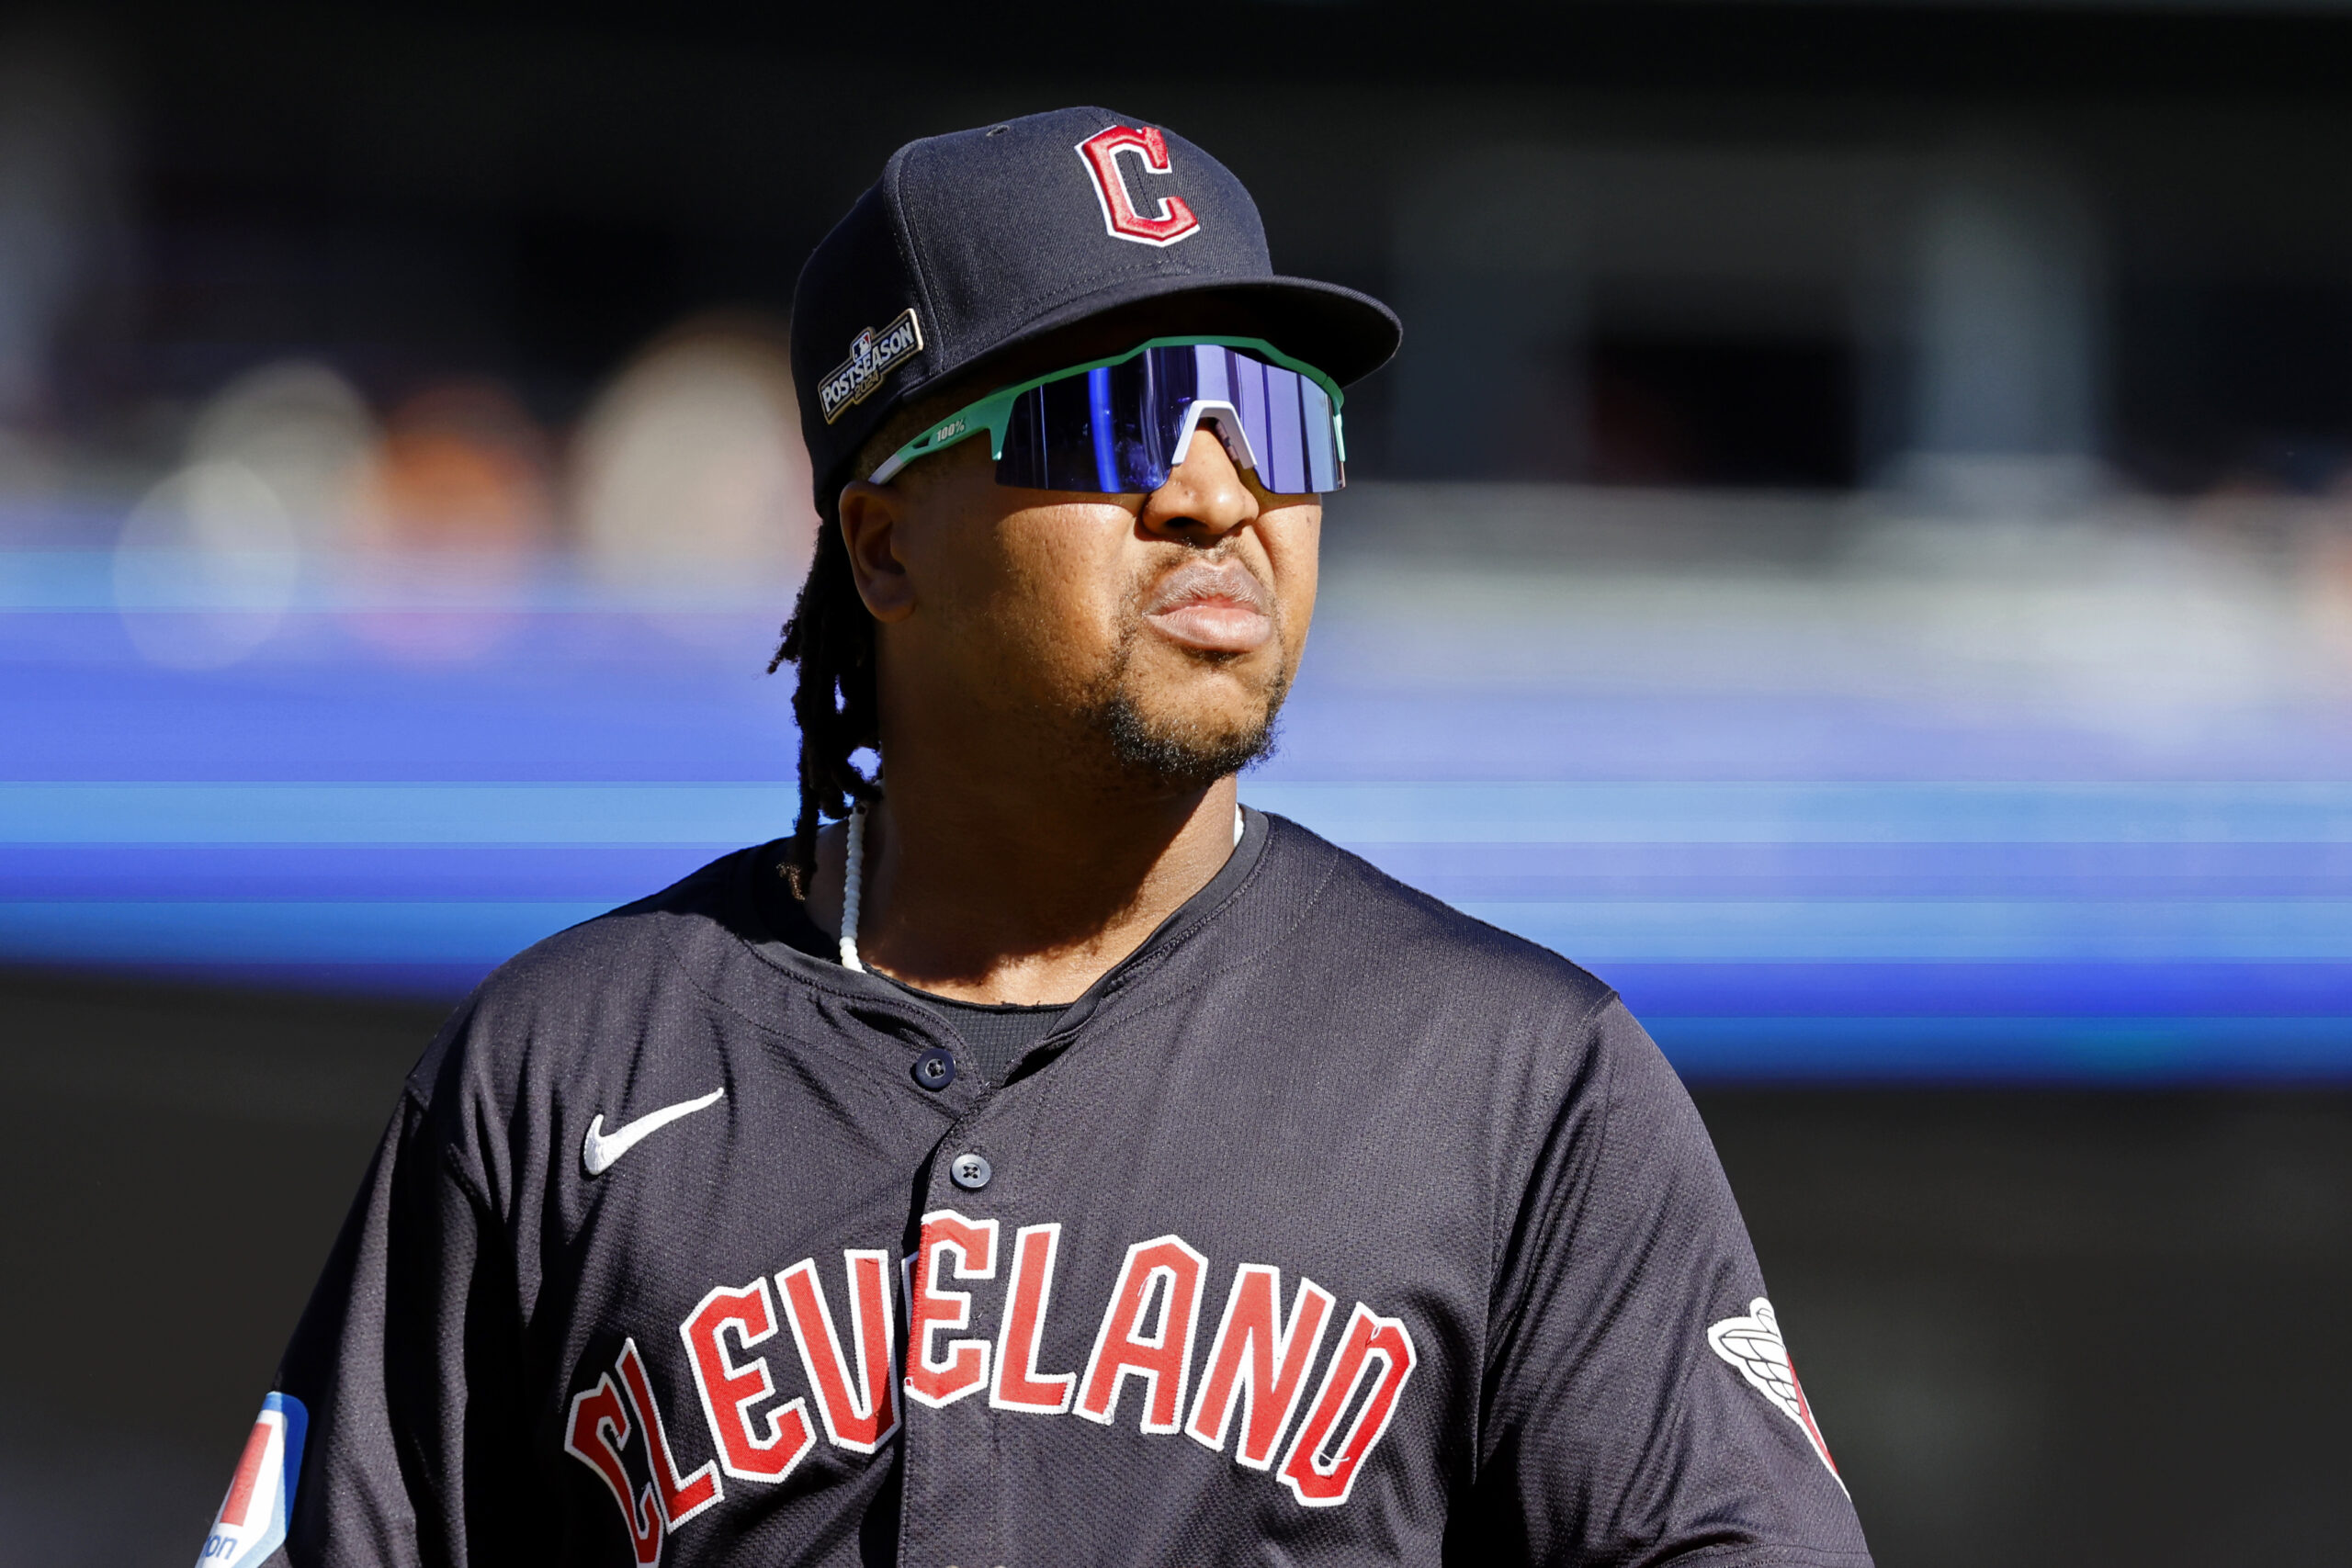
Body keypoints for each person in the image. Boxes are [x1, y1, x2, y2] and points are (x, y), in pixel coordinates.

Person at [198, 107, 1872, 1568]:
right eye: (1126, 412)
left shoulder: (1520, 1082)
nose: (1220, 497)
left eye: (1276, 417)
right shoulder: (560, 1067)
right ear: (885, 542)